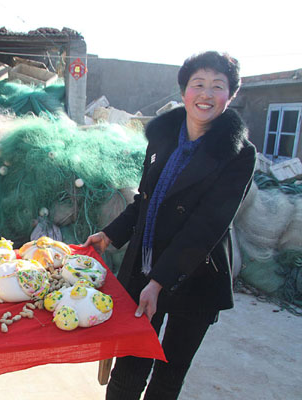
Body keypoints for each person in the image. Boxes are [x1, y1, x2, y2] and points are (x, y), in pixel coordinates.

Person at [84, 51, 256, 400]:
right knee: (129, 366)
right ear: (184, 91)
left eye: (217, 86)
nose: (206, 94)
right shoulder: (162, 139)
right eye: (198, 84)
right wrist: (110, 235)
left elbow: (209, 224)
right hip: (143, 268)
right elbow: (144, 201)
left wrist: (160, 281)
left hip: (196, 274)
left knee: (170, 371)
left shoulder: (239, 153)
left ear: (231, 95)